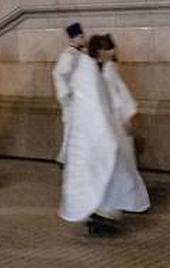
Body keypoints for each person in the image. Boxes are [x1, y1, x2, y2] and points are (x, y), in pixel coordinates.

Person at [59, 34, 149, 236]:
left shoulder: (95, 70)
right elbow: (95, 107)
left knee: (110, 172)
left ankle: (104, 211)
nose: (113, 52)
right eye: (109, 49)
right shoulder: (88, 71)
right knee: (106, 171)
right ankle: (102, 211)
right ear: (101, 51)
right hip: (98, 134)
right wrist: (108, 132)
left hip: (104, 131)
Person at [51, 21, 87, 163]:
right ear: (73, 38)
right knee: (71, 129)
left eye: (82, 36)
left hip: (79, 97)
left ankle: (68, 157)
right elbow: (59, 74)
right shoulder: (68, 55)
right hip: (72, 98)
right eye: (80, 37)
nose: (83, 39)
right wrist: (66, 95)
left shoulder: (78, 53)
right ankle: (65, 157)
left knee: (75, 129)